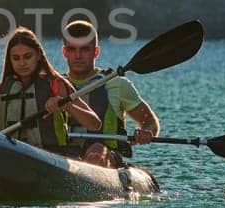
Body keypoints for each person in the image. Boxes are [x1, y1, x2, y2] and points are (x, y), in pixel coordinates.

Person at [60, 17, 160, 166]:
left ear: (96, 52)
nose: (78, 56)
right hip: (63, 154)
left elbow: (150, 122)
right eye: (72, 49)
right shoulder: (55, 85)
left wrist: (146, 132)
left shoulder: (117, 84)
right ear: (64, 52)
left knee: (96, 151)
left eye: (85, 49)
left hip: (106, 155)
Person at [0, 26, 100, 151]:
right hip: (9, 154)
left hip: (50, 156)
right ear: (10, 60)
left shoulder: (57, 85)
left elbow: (94, 124)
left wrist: (66, 105)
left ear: (38, 55)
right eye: (16, 58)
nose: (22, 63)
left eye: (27, 56)